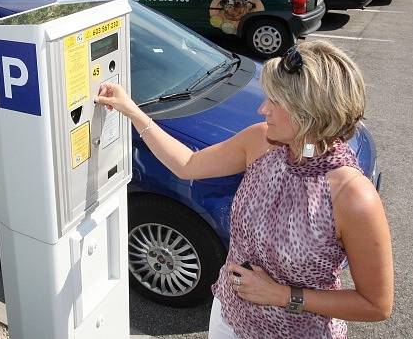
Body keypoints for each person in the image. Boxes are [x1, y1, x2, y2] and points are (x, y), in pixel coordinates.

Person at [95, 41, 393, 338]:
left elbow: (376, 304)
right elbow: (188, 164)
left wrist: (281, 295)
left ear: (310, 113)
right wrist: (132, 111)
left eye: (275, 101)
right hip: (229, 316)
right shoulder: (260, 142)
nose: (263, 109)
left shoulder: (353, 197)